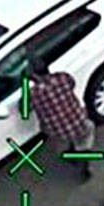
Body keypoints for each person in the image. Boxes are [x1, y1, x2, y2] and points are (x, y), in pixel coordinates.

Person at [28, 52, 96, 181]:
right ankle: (82, 158)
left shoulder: (34, 93)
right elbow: (72, 83)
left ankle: (72, 150)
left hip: (57, 130)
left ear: (34, 76)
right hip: (77, 120)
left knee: (64, 132)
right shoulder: (61, 78)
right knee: (87, 130)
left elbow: (32, 108)